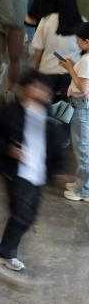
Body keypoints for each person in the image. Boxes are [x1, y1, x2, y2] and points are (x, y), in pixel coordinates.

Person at [0, 70, 66, 272]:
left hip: (37, 173)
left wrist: (58, 171)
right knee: (21, 214)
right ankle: (5, 254)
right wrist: (9, 150)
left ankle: (6, 251)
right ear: (26, 88)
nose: (42, 92)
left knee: (28, 216)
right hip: (16, 173)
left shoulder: (47, 116)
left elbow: (55, 146)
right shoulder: (10, 112)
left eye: (45, 89)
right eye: (38, 87)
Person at [60, 23, 89, 202]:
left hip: (82, 108)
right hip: (83, 107)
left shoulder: (86, 61)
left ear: (87, 41)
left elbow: (84, 89)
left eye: (78, 40)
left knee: (83, 149)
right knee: (82, 147)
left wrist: (70, 68)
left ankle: (84, 190)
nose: (77, 43)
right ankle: (82, 183)